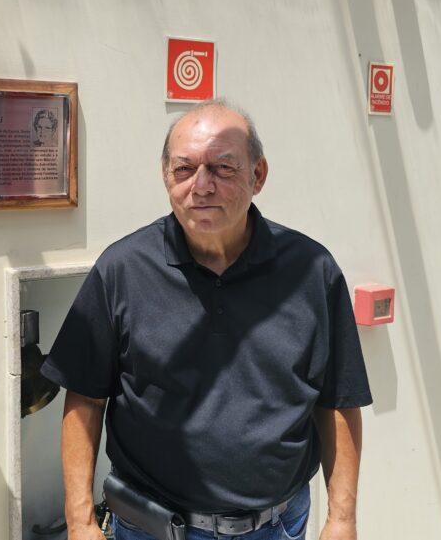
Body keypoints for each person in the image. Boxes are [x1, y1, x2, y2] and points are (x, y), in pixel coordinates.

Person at [41, 99, 371, 540]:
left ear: (258, 175)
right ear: (165, 177)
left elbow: (338, 399)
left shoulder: (312, 272)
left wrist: (342, 518)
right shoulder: (122, 270)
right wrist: (80, 521)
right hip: (150, 529)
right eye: (183, 169)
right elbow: (85, 397)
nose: (201, 186)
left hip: (276, 528)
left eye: (222, 168)